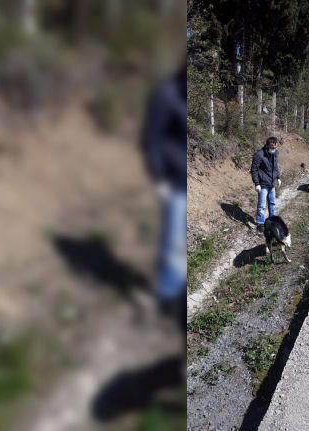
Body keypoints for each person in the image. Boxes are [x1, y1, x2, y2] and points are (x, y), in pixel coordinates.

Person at [140, 64, 186, 331]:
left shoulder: (182, 95)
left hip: (184, 182)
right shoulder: (166, 94)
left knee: (178, 244)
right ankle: (166, 299)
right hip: (173, 183)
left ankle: (174, 293)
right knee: (171, 244)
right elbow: (151, 139)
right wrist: (159, 179)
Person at [251, 137, 282, 234]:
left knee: (272, 204)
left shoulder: (275, 153)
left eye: (275, 147)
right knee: (261, 206)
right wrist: (257, 183)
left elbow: (275, 167)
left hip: (272, 184)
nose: (274, 149)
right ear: (267, 145)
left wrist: (278, 177)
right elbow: (254, 170)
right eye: (272, 147)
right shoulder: (259, 155)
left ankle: (272, 222)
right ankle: (260, 224)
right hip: (263, 184)